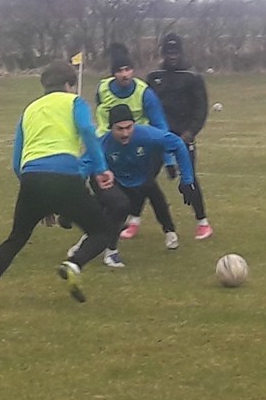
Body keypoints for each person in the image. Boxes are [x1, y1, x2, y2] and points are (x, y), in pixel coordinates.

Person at [0, 60, 116, 306]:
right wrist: (101, 168)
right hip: (65, 176)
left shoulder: (29, 110)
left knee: (16, 238)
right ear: (70, 84)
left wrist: (38, 196)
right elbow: (87, 131)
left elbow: (17, 161)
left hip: (32, 178)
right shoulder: (74, 102)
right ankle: (74, 264)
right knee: (102, 231)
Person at [73, 104, 197, 256]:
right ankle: (104, 247)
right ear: (111, 128)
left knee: (156, 198)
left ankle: (169, 231)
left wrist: (187, 180)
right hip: (115, 180)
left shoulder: (148, 135)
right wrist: (73, 194)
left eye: (128, 127)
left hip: (141, 177)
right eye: (120, 129)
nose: (125, 133)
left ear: (134, 124)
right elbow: (83, 168)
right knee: (115, 206)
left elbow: (177, 144)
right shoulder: (103, 144)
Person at [94, 43, 177, 242]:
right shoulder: (102, 90)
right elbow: (102, 119)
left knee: (147, 185)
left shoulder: (144, 92)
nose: (124, 74)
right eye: (120, 70)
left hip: (144, 148)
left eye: (128, 69)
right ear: (113, 73)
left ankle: (169, 231)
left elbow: (160, 125)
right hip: (114, 147)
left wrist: (168, 158)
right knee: (111, 189)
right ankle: (99, 231)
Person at [147, 33, 213, 240]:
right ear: (163, 53)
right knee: (144, 178)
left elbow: (201, 109)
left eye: (175, 52)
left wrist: (190, 132)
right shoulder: (154, 77)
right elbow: (147, 105)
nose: (172, 56)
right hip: (158, 137)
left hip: (183, 137)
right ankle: (133, 220)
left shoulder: (192, 77)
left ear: (181, 52)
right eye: (169, 52)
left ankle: (202, 222)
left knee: (188, 181)